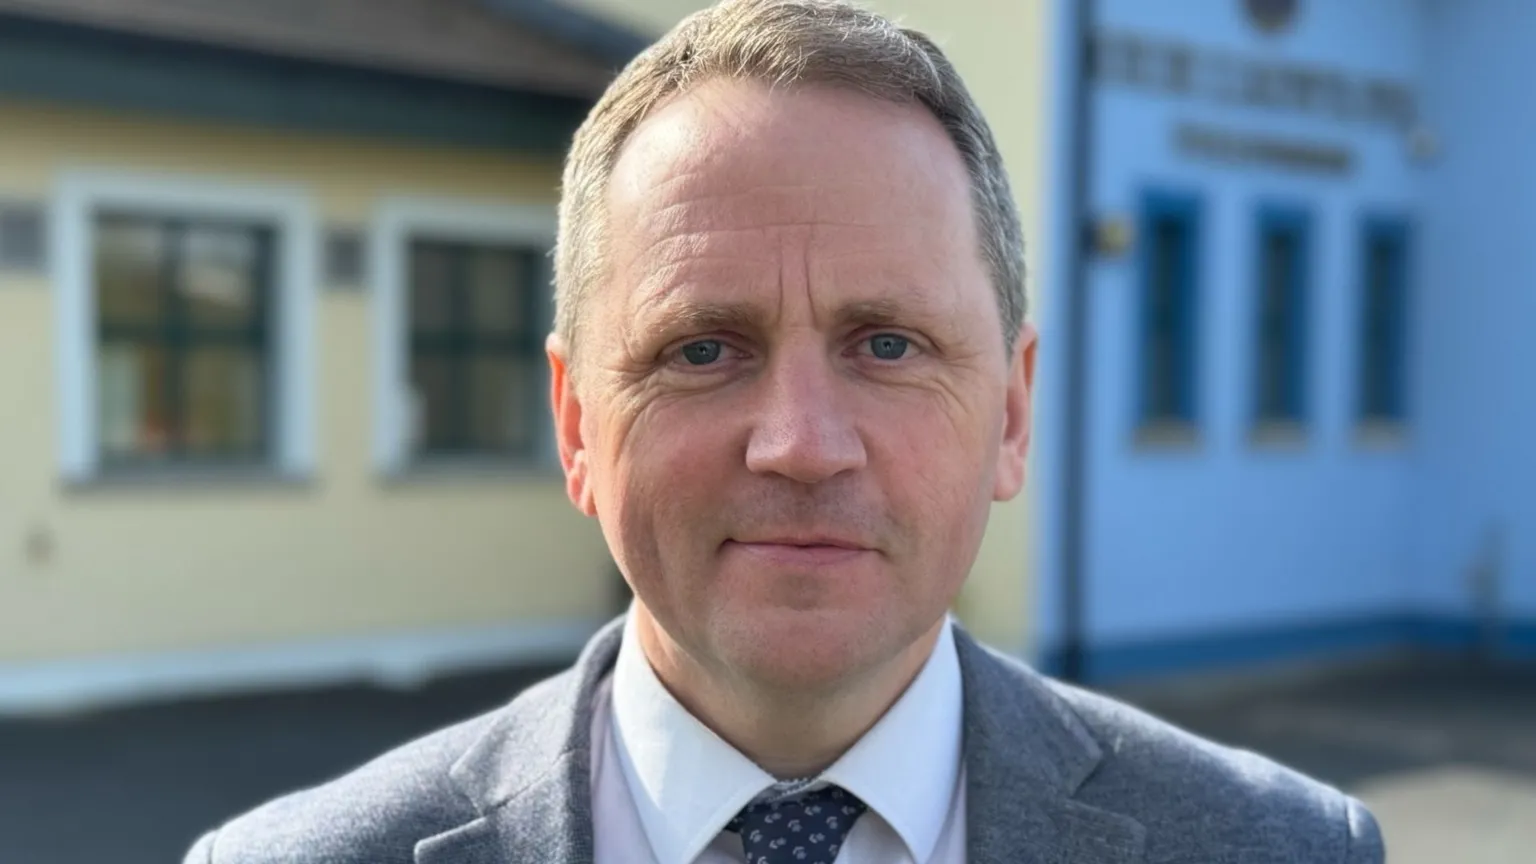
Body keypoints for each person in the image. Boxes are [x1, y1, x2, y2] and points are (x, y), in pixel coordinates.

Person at [183, 1, 1385, 862]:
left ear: (1012, 413)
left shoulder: (1277, 849)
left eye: (889, 345)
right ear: (577, 425)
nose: (802, 444)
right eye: (703, 350)